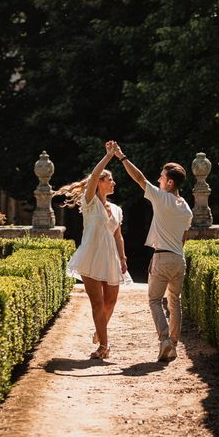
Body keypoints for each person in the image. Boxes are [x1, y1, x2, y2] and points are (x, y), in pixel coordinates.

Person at [111, 142, 193, 361]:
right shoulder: (186, 207)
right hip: (179, 259)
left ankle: (165, 339)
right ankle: (173, 345)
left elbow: (139, 178)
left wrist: (121, 157)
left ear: (170, 182)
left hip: (163, 257)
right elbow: (183, 238)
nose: (158, 180)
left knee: (154, 300)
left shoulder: (162, 198)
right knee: (175, 301)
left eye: (161, 177)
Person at [55, 141, 132, 360]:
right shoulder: (89, 202)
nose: (113, 182)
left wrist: (123, 258)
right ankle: (104, 346)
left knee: (111, 301)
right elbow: (97, 171)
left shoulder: (117, 209)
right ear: (99, 183)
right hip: (90, 256)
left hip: (111, 259)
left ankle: (100, 331)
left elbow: (118, 235)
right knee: (97, 302)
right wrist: (109, 156)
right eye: (110, 179)